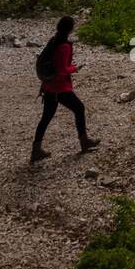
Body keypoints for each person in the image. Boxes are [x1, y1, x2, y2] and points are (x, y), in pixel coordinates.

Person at [31, 15, 100, 163]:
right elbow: (62, 69)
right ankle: (84, 141)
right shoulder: (64, 46)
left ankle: (36, 149)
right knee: (79, 108)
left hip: (48, 86)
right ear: (71, 29)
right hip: (59, 88)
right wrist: (75, 68)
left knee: (46, 117)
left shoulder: (54, 40)